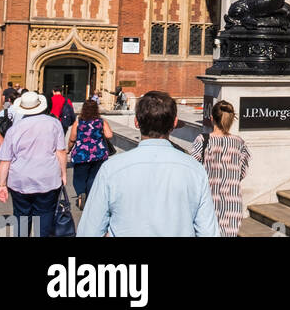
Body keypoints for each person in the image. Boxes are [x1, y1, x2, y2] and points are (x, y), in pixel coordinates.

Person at [77, 89, 219, 237]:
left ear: (136, 122)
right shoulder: (195, 169)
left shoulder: (111, 169)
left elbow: (88, 231)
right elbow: (208, 232)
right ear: (175, 123)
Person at [0, 90, 68, 237]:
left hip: (20, 180)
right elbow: (60, 151)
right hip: (47, 178)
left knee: (22, 218)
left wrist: (2, 185)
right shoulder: (54, 123)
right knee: (46, 216)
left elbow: (5, 160)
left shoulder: (14, 129)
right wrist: (63, 173)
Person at [190, 100, 250, 238]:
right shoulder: (239, 142)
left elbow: (193, 169)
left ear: (212, 118)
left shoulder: (202, 140)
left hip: (207, 202)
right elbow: (242, 172)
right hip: (232, 204)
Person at [67, 99, 114, 209]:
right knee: (93, 177)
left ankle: (80, 194)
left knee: (79, 177)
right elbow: (109, 135)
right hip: (98, 154)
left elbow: (72, 138)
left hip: (81, 154)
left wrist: (68, 149)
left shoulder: (78, 122)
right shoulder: (101, 121)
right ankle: (90, 197)